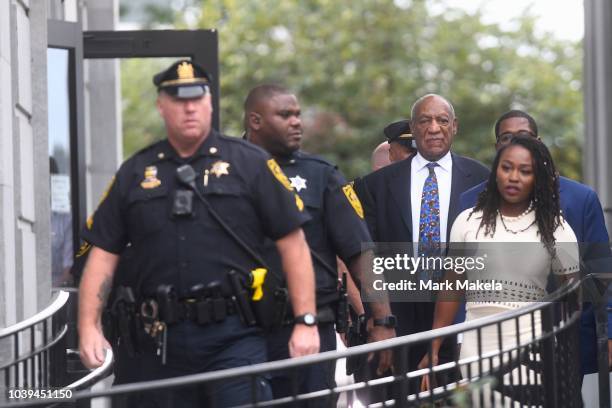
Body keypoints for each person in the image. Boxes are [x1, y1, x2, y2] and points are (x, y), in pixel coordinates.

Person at [77, 61, 320, 407]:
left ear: (210, 103)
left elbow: (294, 245)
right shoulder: (135, 172)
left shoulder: (250, 164)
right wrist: (89, 326)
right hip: (157, 342)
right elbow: (102, 255)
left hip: (234, 336)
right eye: (178, 100)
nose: (189, 107)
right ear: (161, 106)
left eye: (197, 99)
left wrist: (306, 321)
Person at [243, 84, 395, 403]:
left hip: (311, 325)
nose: (297, 122)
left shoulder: (320, 175)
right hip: (241, 330)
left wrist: (382, 321)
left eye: (298, 114)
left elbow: (359, 251)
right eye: (285, 115)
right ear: (255, 120)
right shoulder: (226, 171)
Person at [421, 135, 580, 405]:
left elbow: (574, 293)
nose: (514, 177)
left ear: (537, 178)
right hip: (476, 348)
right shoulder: (467, 221)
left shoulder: (556, 228)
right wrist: (433, 347)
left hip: (531, 349)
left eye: (525, 171)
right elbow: (452, 286)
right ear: (496, 171)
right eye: (507, 168)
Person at [458, 110, 612, 378]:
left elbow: (603, 273)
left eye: (524, 137)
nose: (516, 144)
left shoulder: (580, 198)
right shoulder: (470, 203)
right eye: (507, 138)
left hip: (563, 337)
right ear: (497, 148)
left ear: (539, 142)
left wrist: (609, 330)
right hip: (485, 343)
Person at [355, 94, 489, 390]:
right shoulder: (376, 185)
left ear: (455, 126)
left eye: (442, 120)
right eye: (424, 121)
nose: (434, 128)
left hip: (462, 321)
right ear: (413, 129)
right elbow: (367, 256)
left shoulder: (482, 180)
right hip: (398, 322)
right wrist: (377, 320)